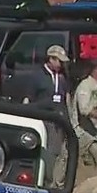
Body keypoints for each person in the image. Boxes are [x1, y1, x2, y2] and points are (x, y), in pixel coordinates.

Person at [25, 45, 71, 184]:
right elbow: (27, 99)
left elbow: (66, 98)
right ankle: (43, 181)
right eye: (59, 61)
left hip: (58, 122)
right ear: (51, 59)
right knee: (45, 153)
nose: (61, 65)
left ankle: (53, 182)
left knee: (56, 152)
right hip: (42, 119)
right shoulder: (37, 76)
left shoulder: (62, 78)